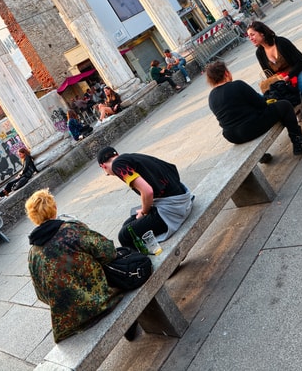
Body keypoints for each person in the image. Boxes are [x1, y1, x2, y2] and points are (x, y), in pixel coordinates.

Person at [25, 188, 123, 343]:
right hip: (102, 301)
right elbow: (108, 251)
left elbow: (42, 295)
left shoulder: (33, 254)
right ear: (54, 209)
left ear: (33, 218)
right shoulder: (71, 229)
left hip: (68, 324)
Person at [206, 61, 302, 161]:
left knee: (247, 120)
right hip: (251, 127)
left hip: (232, 136)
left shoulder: (211, 97)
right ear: (226, 73)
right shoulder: (237, 85)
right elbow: (261, 104)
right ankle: (299, 144)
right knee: (285, 105)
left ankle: (261, 156)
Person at [96, 146, 194, 251]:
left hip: (173, 210)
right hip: (181, 198)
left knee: (125, 235)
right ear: (117, 155)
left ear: (103, 166)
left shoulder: (118, 165)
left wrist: (143, 212)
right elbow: (171, 169)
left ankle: (145, 264)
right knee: (128, 224)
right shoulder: (132, 157)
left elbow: (147, 191)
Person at [247, 21, 302, 116]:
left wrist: (289, 76)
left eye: (252, 35)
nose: (251, 39)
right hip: (282, 80)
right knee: (276, 100)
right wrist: (279, 82)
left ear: (262, 33)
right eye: (249, 37)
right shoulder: (259, 53)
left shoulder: (281, 42)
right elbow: (269, 74)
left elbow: (300, 62)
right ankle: (297, 113)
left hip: (299, 72)